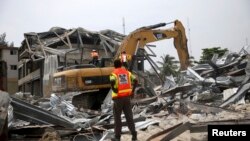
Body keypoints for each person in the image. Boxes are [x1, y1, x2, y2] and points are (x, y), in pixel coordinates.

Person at [110, 59, 138, 141]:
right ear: (121, 64)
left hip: (118, 98)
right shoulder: (127, 73)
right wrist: (132, 92)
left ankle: (117, 137)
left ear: (114, 65)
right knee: (129, 117)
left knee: (117, 118)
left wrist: (114, 90)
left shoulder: (113, 73)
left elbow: (112, 82)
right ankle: (134, 135)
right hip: (127, 98)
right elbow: (136, 81)